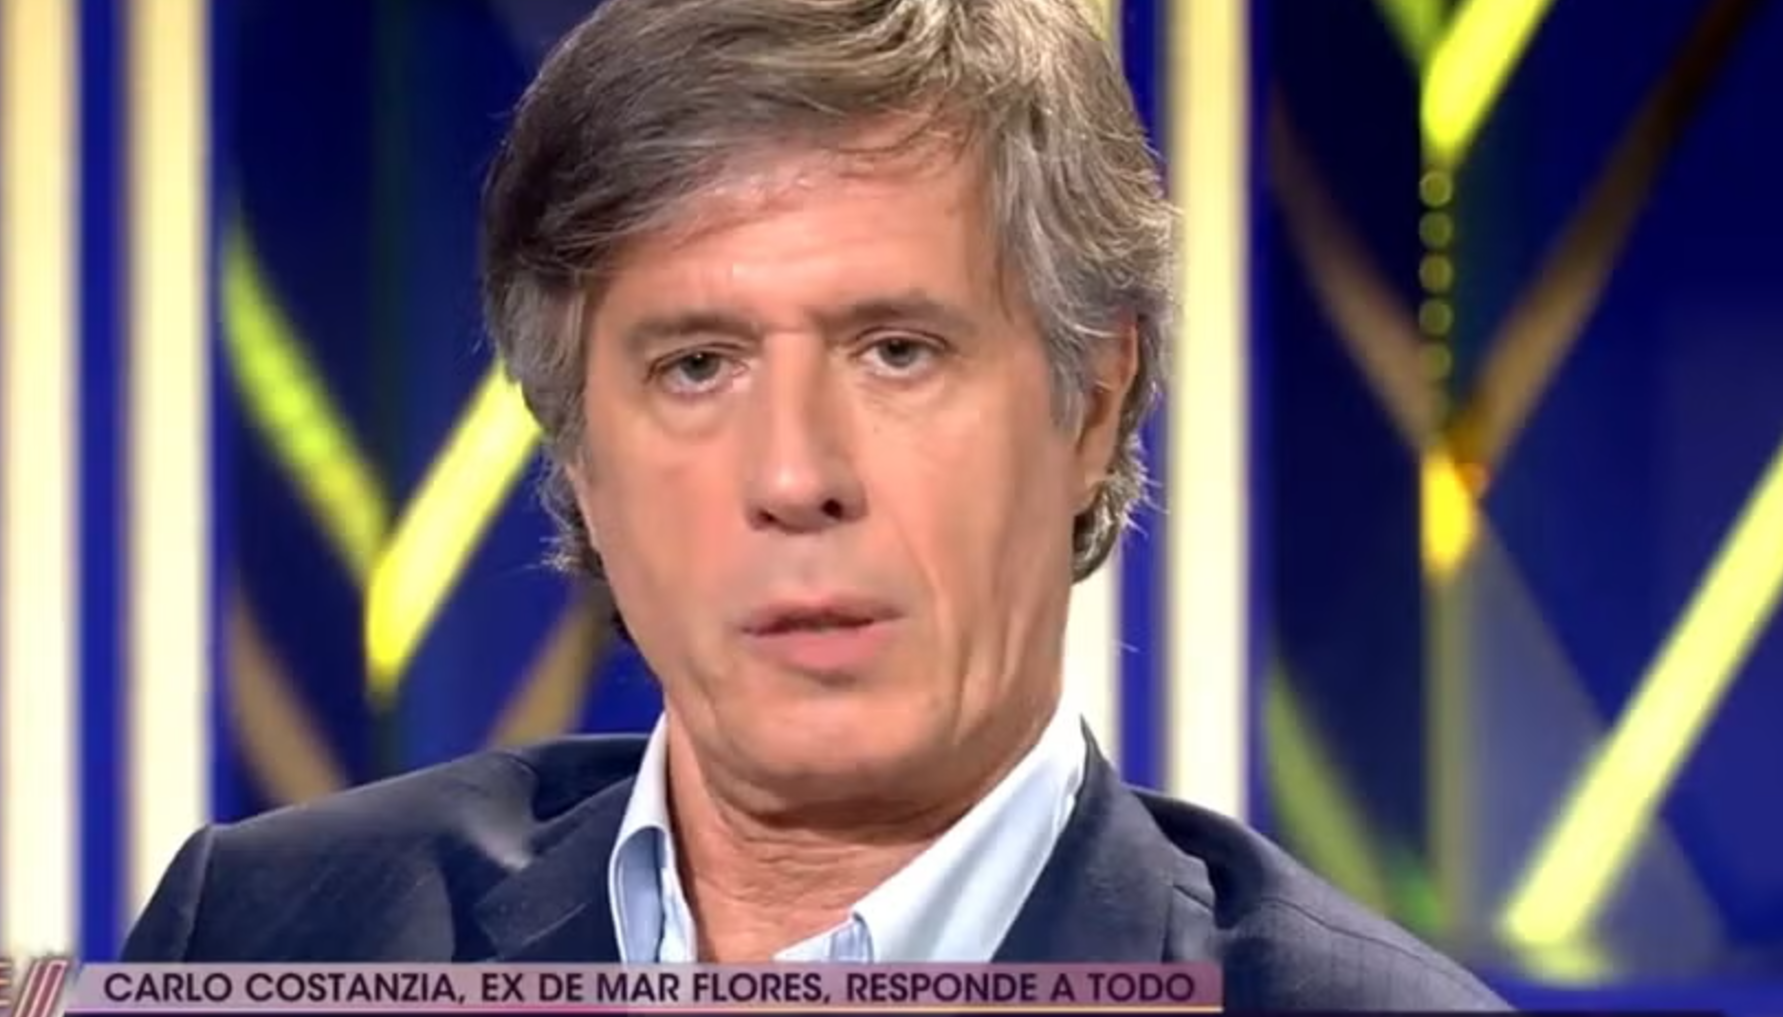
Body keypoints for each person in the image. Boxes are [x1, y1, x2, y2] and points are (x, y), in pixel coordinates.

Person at [126, 0, 1505, 1008]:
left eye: (896, 351)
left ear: (1091, 406)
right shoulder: (267, 937)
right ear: (580, 456)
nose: (794, 477)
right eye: (696, 365)